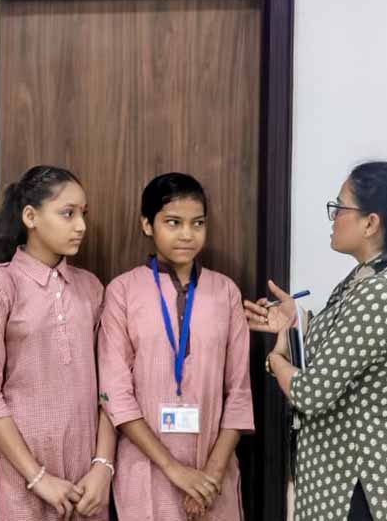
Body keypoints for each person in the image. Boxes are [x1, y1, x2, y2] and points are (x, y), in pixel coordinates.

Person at [245, 161, 387, 521]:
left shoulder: (385, 290)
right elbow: (343, 351)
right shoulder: (368, 278)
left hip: (364, 487)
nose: (333, 217)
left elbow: (311, 393)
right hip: (346, 480)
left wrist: (276, 360)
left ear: (370, 222)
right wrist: (296, 321)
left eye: (340, 207)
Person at [98, 173, 253, 521]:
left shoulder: (226, 292)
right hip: (147, 470)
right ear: (147, 225)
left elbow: (239, 391)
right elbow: (116, 393)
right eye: (173, 222)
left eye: (198, 223)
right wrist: (175, 470)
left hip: (214, 473)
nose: (187, 234)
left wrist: (212, 475)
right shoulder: (123, 291)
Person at [0, 166, 115, 521]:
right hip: (19, 477)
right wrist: (38, 478)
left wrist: (103, 467)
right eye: (68, 213)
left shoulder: (91, 288)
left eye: (83, 213)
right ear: (31, 217)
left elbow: (111, 388)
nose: (81, 225)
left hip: (85, 484)